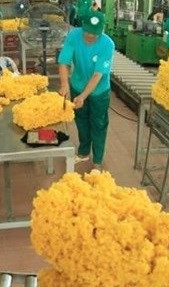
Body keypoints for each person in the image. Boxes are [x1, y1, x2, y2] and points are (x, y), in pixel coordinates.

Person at [58, 10, 114, 170]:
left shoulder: (107, 44)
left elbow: (97, 75)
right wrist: (64, 84)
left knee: (98, 124)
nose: (91, 37)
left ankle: (97, 161)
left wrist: (83, 96)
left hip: (99, 92)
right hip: (77, 85)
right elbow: (64, 62)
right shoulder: (74, 36)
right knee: (81, 121)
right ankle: (83, 153)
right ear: (83, 27)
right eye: (88, 32)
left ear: (102, 30)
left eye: (95, 34)